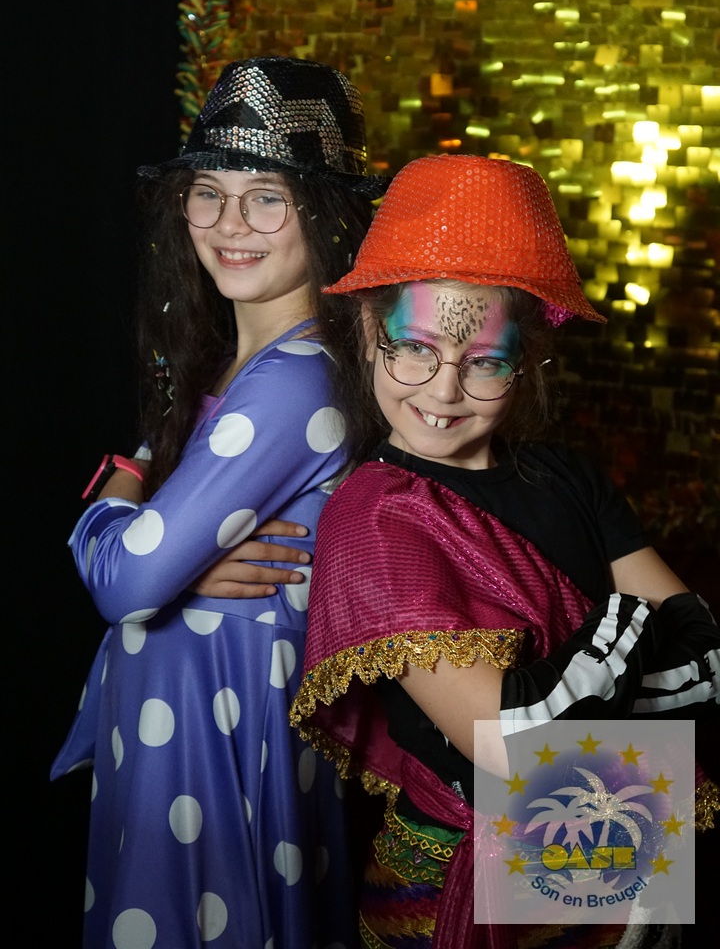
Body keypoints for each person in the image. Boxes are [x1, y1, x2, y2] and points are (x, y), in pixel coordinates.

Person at [286, 155, 720, 949]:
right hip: (455, 886)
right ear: (370, 331)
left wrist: (591, 685)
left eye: (485, 361)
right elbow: (510, 741)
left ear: (528, 359)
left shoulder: (570, 478)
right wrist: (632, 668)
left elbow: (708, 659)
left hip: (628, 858)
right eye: (414, 348)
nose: (442, 390)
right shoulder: (375, 516)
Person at [50, 55, 390, 949]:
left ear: (327, 215)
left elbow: (123, 580)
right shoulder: (233, 367)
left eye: (266, 197)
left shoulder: (295, 377)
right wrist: (177, 557)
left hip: (217, 729)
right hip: (178, 721)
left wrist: (122, 501)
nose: (230, 225)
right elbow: (154, 564)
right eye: (209, 193)